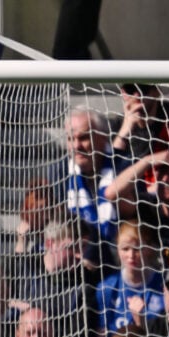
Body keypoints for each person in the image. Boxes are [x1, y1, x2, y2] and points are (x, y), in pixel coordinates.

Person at [64, 107, 117, 265]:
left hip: (116, 261)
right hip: (75, 263)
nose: (76, 146)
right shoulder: (60, 173)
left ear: (103, 138)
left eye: (84, 138)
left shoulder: (122, 166)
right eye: (70, 139)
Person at [110, 83, 169, 167]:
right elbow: (111, 167)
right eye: (130, 90)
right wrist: (125, 130)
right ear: (123, 93)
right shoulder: (118, 123)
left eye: (143, 89)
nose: (137, 96)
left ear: (157, 92)